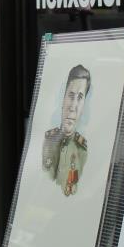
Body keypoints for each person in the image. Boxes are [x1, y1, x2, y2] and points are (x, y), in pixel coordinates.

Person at [42, 64, 91, 197]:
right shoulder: (46, 142)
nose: (73, 107)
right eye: (71, 95)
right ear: (63, 99)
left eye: (80, 98)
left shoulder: (82, 151)